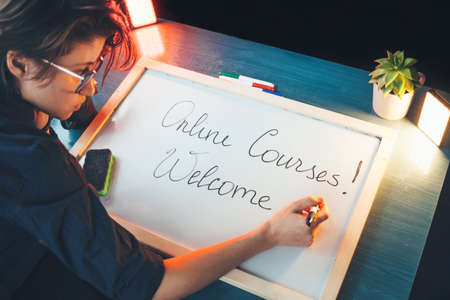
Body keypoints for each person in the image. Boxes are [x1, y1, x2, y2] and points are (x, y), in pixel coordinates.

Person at [0, 1, 329, 299]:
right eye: (82, 72)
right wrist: (267, 236)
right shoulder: (34, 163)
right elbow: (149, 286)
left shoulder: (17, 76)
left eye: (94, 68)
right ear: (20, 63)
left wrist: (69, 98)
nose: (94, 87)